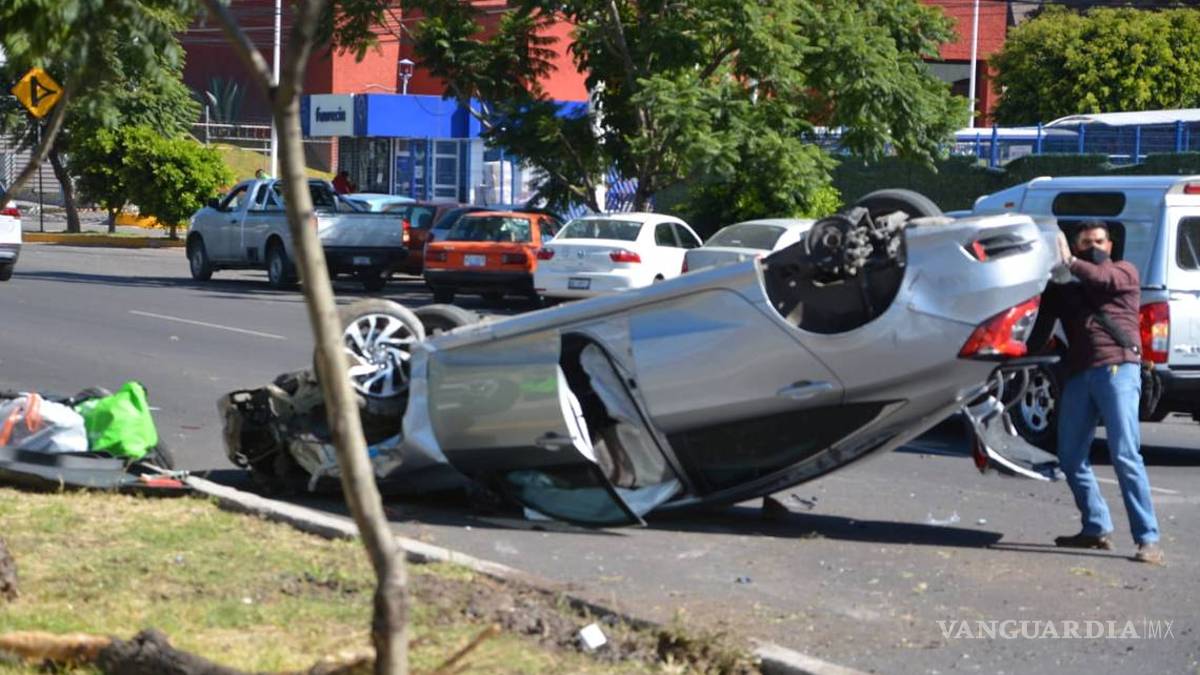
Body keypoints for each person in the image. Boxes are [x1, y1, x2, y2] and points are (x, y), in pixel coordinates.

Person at [1028, 220, 1163, 564]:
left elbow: (1102, 278)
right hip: (1080, 374)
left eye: (1100, 241)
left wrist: (1070, 262)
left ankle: (1148, 538)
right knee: (1070, 457)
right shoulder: (1063, 288)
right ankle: (1096, 527)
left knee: (1125, 455)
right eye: (1086, 242)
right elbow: (1040, 330)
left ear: (1111, 245)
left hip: (1118, 368)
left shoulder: (1124, 272)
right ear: (1075, 245)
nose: (1095, 247)